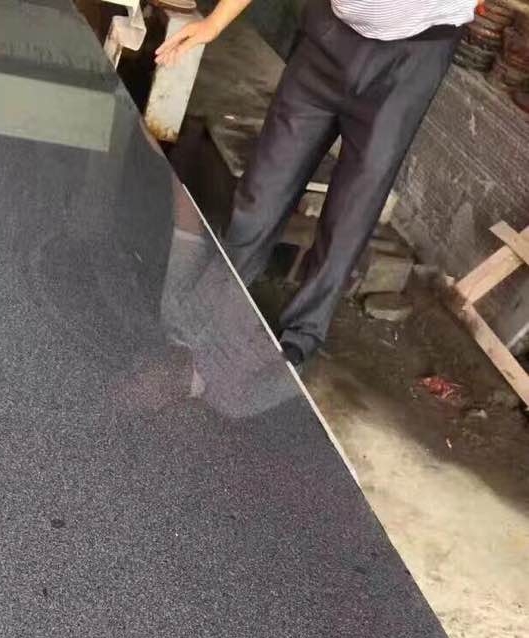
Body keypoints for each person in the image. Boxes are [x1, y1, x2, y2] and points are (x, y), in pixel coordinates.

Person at [156, 0, 474, 366]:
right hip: (329, 35)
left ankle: (302, 335)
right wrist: (215, 22)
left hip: (412, 58)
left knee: (352, 212)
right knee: (263, 189)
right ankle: (215, 301)